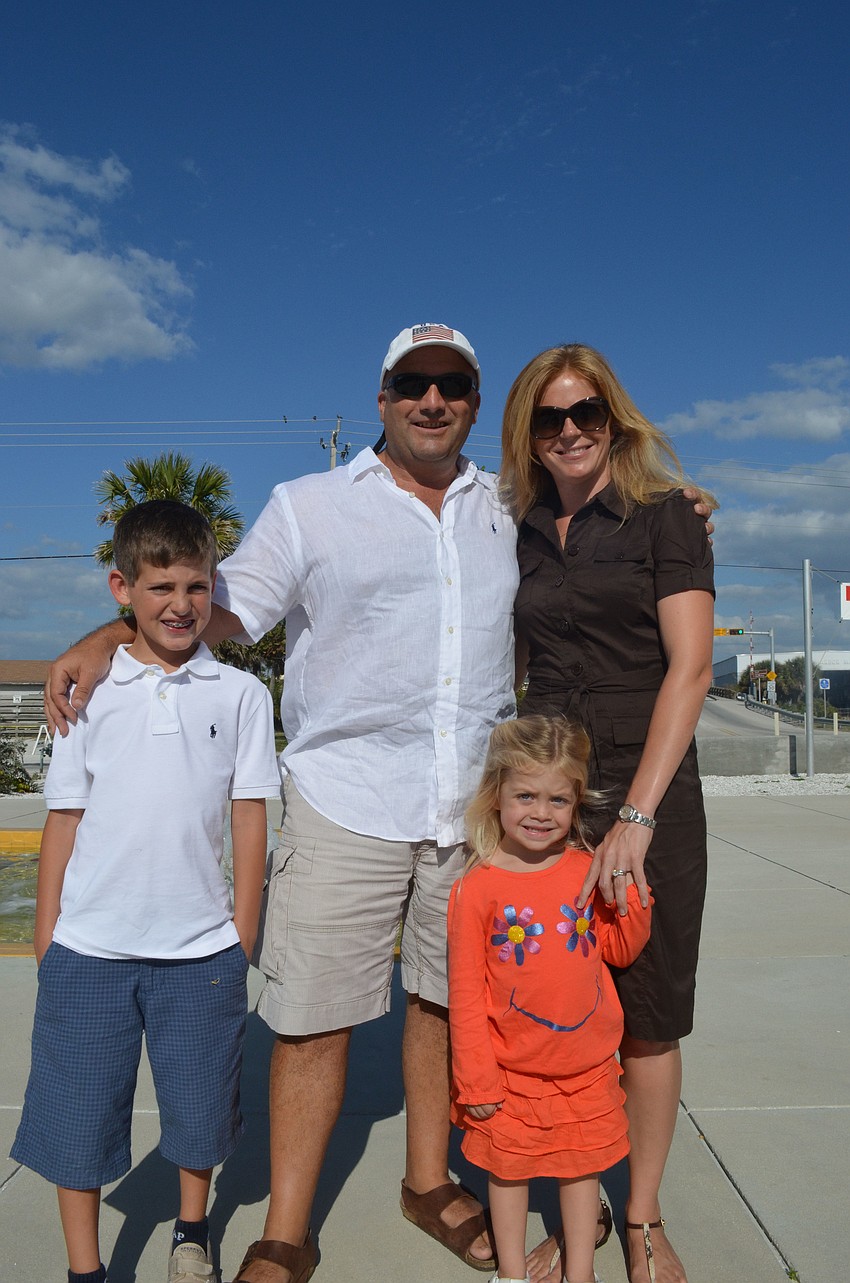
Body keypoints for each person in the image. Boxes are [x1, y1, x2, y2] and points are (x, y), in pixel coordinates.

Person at [44, 326, 712, 1283]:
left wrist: (683, 504)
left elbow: (616, 522)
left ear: (479, 404)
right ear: (384, 396)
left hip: (468, 812)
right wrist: (109, 630)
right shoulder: (310, 506)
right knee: (314, 1017)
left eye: (453, 384)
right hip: (343, 799)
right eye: (413, 383)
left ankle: (430, 1181)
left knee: (446, 1002)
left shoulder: (509, 506)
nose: (432, 400)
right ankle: (285, 1226)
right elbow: (215, 607)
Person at [13, 500, 280, 1283]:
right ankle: (86, 1267)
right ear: (121, 587)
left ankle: (191, 1232)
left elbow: (249, 818)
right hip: (89, 950)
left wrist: (242, 933)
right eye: (160, 585)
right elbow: (63, 821)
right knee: (77, 1119)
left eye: (197, 585)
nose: (180, 603)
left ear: (213, 588)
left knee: (200, 1114)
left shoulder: (240, 697)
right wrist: (45, 935)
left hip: (200, 953)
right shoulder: (85, 696)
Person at [500, 345, 715, 1283]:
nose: (571, 430)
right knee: (562, 1016)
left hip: (648, 796)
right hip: (547, 800)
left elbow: (692, 668)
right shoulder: (520, 528)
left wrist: (636, 813)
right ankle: (577, 1215)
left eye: (586, 412)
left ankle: (641, 1216)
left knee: (648, 1016)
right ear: (529, 435)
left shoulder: (669, 516)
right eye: (550, 419)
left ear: (614, 418)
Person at [449, 716, 652, 1283]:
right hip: (511, 1073)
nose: (541, 813)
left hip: (585, 1069)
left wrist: (633, 899)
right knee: (508, 1174)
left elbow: (617, 949)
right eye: (525, 796)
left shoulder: (587, 872)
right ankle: (512, 1274)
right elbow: (466, 993)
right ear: (496, 798)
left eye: (558, 800)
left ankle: (580, 1273)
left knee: (581, 1171)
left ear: (577, 802)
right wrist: (476, 1077)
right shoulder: (478, 886)